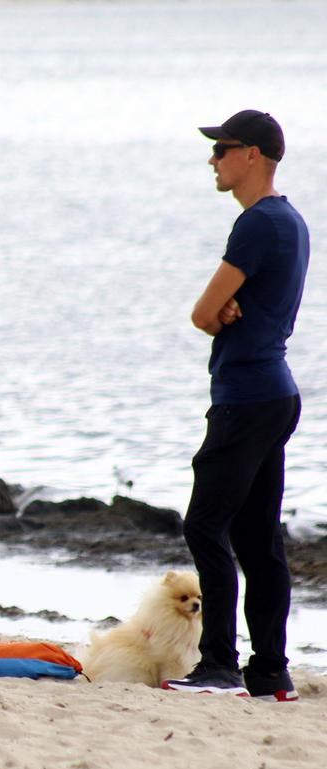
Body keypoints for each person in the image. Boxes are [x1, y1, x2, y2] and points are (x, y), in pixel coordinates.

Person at [162, 111, 309, 700]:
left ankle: (220, 665)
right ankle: (271, 672)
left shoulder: (257, 224)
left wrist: (218, 313)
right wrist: (225, 310)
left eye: (222, 150)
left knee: (205, 526)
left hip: (247, 397)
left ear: (253, 155)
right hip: (275, 394)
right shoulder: (291, 221)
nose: (213, 160)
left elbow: (202, 313)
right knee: (256, 540)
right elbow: (226, 308)